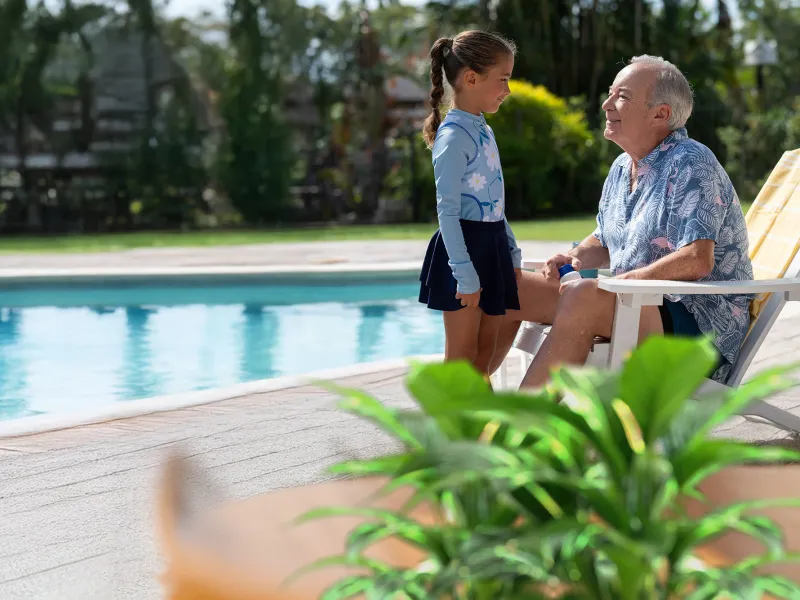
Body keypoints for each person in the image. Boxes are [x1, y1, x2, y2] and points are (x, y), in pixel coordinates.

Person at [489, 55, 754, 388]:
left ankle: (521, 430)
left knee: (586, 295)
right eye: (611, 93)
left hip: (696, 322)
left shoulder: (692, 162)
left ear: (661, 113)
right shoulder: (621, 167)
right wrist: (574, 259)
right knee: (502, 286)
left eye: (622, 96)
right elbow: (604, 239)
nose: (606, 104)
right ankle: (473, 406)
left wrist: (623, 283)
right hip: (634, 302)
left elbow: (697, 259)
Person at [417, 30, 523, 378]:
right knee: (461, 357)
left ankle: (477, 430)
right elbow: (446, 211)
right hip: (464, 251)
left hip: (491, 246)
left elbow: (494, 199)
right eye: (503, 80)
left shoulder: (482, 129)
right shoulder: (453, 136)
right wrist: (463, 272)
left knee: (485, 354)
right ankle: (452, 431)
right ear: (472, 78)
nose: (508, 90)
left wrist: (511, 249)